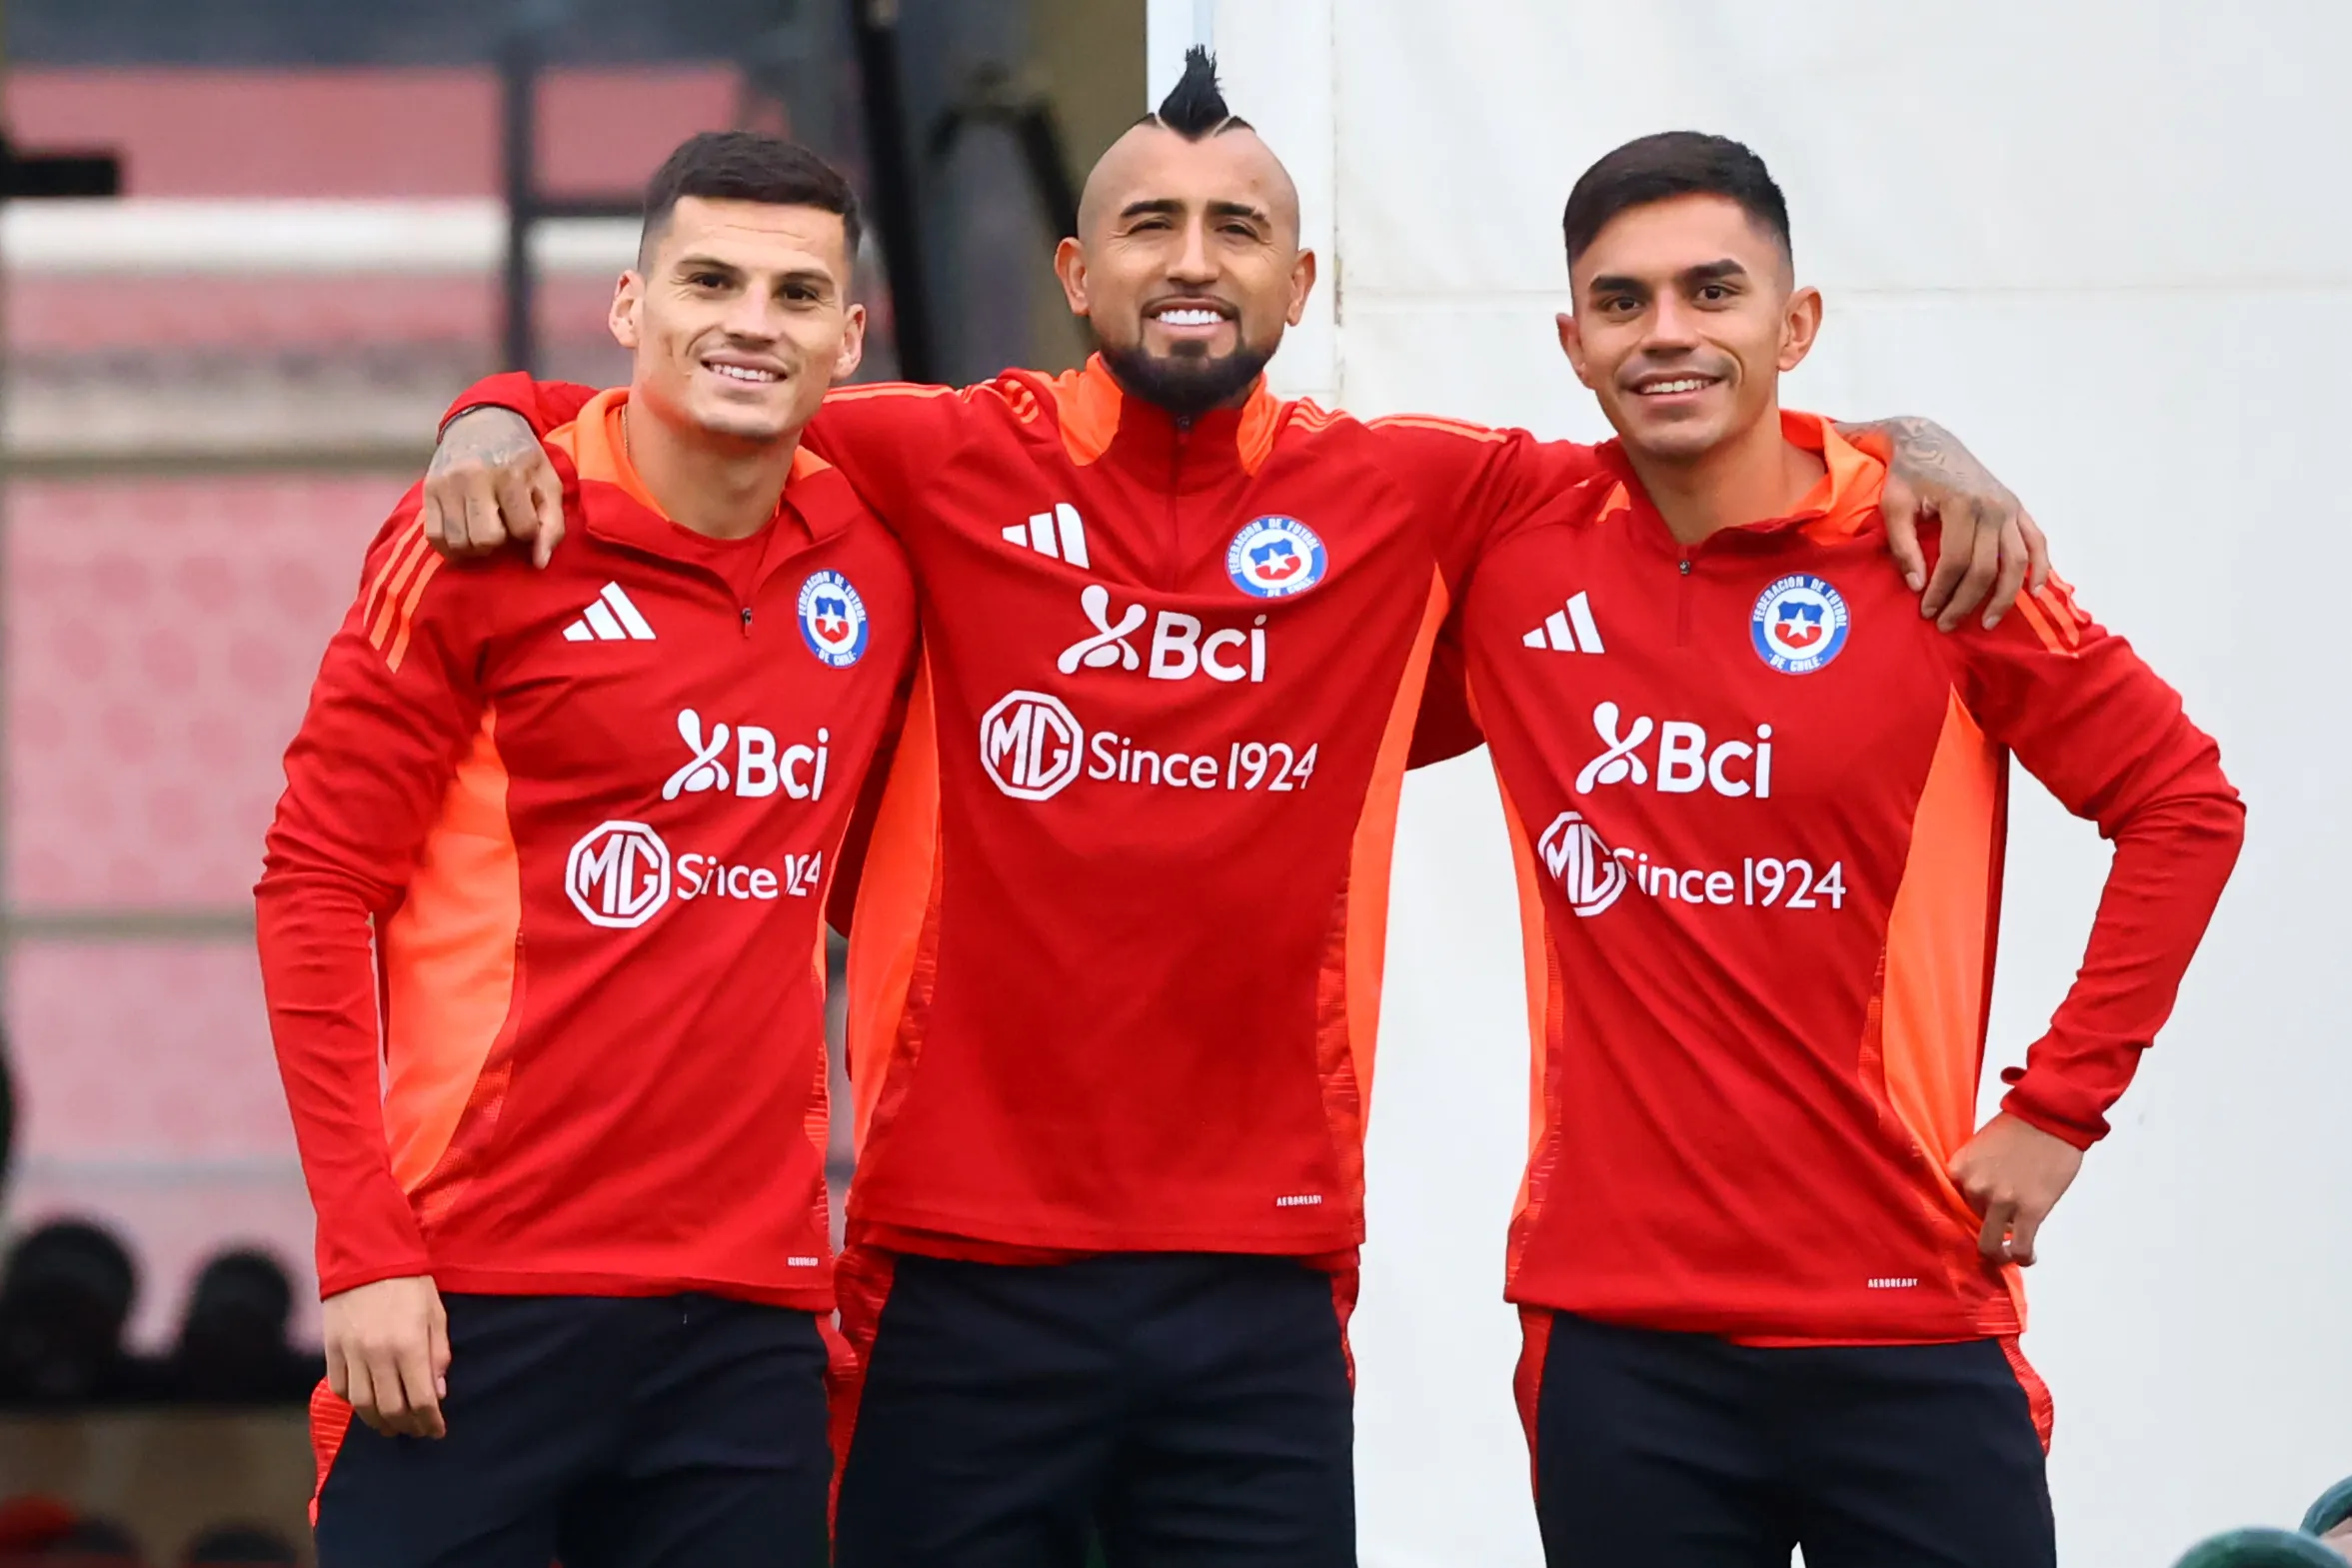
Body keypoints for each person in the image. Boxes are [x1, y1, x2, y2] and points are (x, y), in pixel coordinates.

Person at [419, 54, 2049, 1568]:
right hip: (955, 1272)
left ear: (1298, 282)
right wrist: (490, 406)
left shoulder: (1420, 492)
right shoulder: (922, 459)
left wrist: (1908, 442)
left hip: (1260, 1289)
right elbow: (687, 405)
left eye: (1237, 230)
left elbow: (1699, 439)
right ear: (1078, 273)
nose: (1192, 259)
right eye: (1150, 225)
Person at [1452, 131, 2245, 1567]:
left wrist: (2060, 1109)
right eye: (1623, 304)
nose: (1670, 333)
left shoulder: (1935, 552)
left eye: (1714, 291)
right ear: (1570, 341)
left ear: (1795, 322)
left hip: (1906, 1315)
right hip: (1621, 1340)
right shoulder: (1513, 547)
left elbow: (2183, 805)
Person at [255, 132, 913, 1567]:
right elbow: (312, 888)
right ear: (630, 306)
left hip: (749, 1317)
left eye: (798, 295)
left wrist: (492, 401)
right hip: (474, 1296)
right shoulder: (487, 535)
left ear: (850, 339)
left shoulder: (877, 544)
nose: (751, 320)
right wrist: (364, 1250)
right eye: (709, 280)